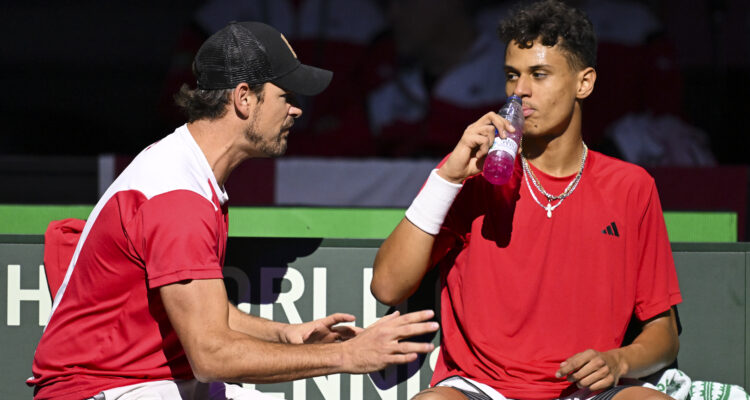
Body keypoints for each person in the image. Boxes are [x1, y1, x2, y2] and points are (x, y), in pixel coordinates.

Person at [28, 21, 438, 400]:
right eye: (286, 96)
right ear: (244, 98)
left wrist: (287, 334)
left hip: (136, 381)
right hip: (99, 389)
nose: (297, 110)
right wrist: (347, 357)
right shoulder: (178, 198)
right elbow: (211, 356)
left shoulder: (185, 169)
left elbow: (209, 314)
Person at [371, 1, 681, 399]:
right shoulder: (473, 174)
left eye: (539, 74)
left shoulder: (631, 186)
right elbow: (387, 286)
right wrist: (447, 177)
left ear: (584, 83)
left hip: (584, 392)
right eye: (511, 75)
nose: (520, 90)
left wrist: (618, 361)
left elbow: (663, 331)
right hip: (480, 389)